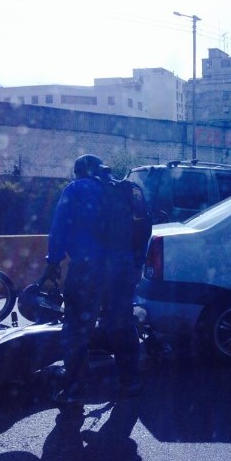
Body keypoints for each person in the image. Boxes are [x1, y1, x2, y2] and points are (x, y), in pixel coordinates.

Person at [46, 154, 146, 405]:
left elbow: (60, 228)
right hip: (122, 269)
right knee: (122, 324)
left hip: (87, 271)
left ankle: (76, 389)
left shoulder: (76, 189)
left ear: (80, 171)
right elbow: (144, 228)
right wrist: (134, 264)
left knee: (77, 328)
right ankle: (130, 382)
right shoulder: (127, 189)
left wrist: (53, 262)